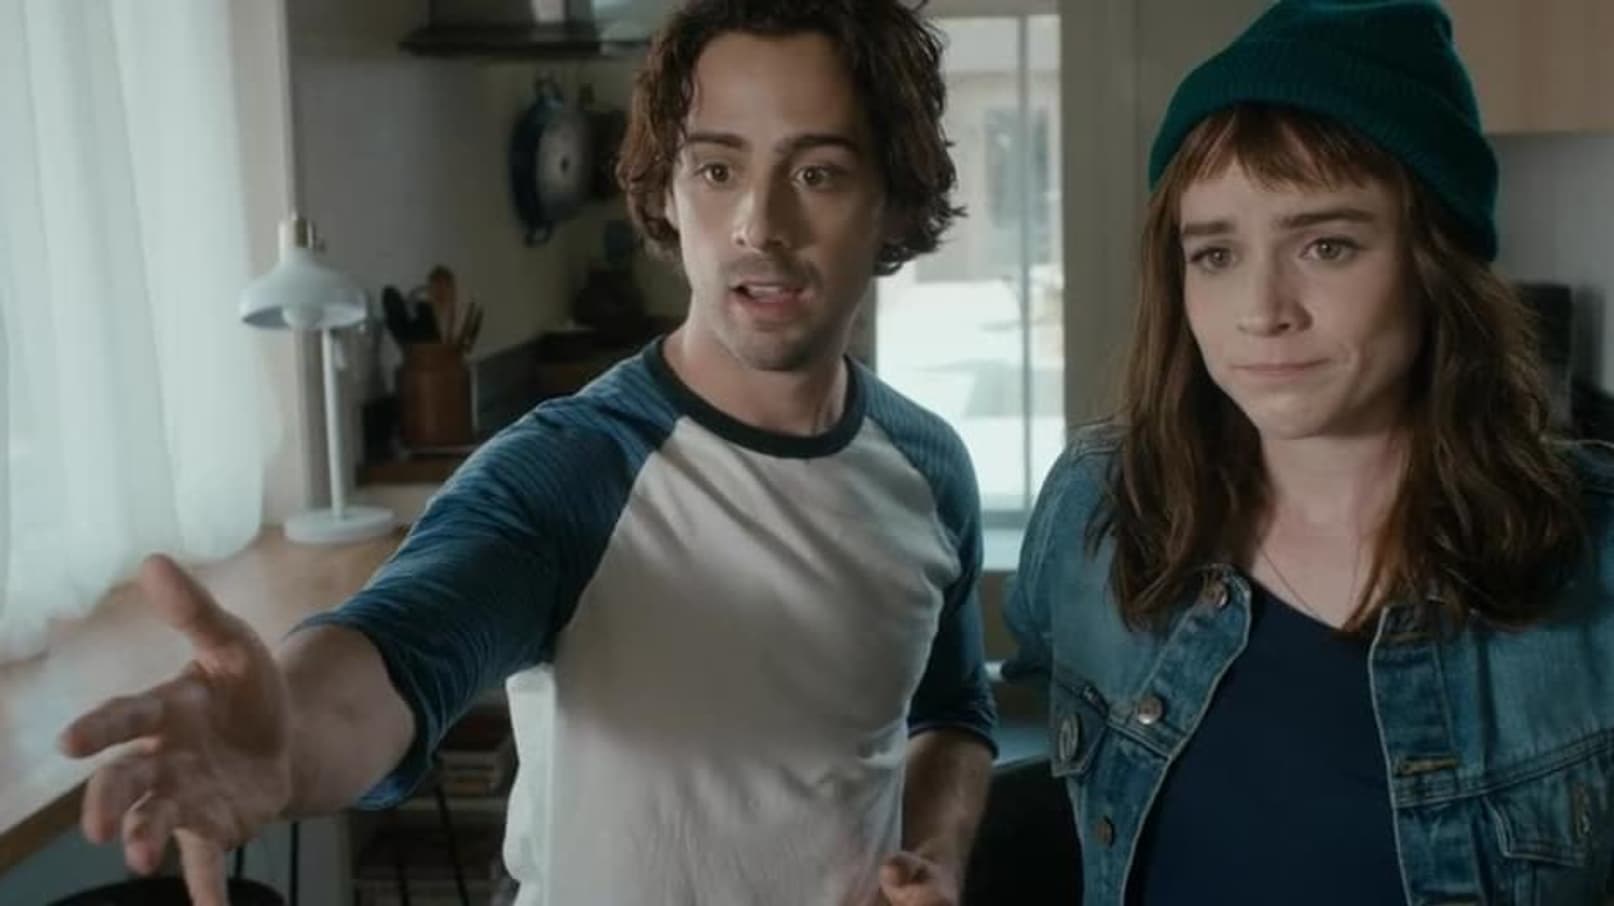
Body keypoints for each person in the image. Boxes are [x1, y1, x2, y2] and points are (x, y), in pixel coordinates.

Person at [58, 2, 998, 904]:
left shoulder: (928, 468)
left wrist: (936, 852)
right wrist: (290, 741)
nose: (759, 224)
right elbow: (399, 650)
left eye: (819, 173)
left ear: (894, 200)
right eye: (717, 170)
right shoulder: (573, 469)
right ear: (668, 195)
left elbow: (951, 716)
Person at [1005, 1, 1614, 903]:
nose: (1262, 311)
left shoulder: (1597, 553)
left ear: (1434, 262)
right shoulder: (1097, 505)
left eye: (1327, 245)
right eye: (1215, 254)